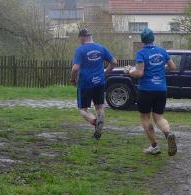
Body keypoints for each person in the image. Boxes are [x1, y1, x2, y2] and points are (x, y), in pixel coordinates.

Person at [128, 27, 177, 156]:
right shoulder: (162, 51)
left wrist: (129, 72)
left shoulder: (141, 53)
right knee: (159, 117)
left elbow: (139, 73)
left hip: (146, 90)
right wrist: (160, 67)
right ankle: (168, 134)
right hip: (161, 89)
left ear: (142, 40)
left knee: (145, 117)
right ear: (153, 38)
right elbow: (173, 67)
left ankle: (154, 146)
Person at [71, 28, 117, 139]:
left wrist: (73, 79)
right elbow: (114, 62)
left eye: (80, 38)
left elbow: (75, 68)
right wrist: (105, 73)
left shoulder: (80, 50)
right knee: (100, 107)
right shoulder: (101, 48)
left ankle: (95, 121)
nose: (80, 40)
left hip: (85, 83)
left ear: (83, 37)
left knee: (83, 109)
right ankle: (99, 126)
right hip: (99, 82)